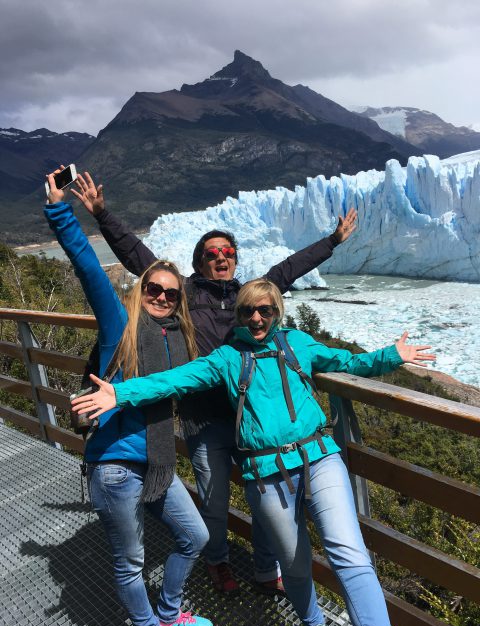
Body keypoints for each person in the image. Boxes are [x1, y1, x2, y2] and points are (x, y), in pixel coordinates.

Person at [72, 278, 435, 626]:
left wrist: (392, 355)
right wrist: (120, 392)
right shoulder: (228, 358)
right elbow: (173, 380)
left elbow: (348, 362)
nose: (257, 318)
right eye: (248, 311)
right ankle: (314, 625)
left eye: (266, 310)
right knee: (294, 565)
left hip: (320, 458)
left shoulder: (297, 343)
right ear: (239, 316)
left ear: (278, 311)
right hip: (266, 474)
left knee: (350, 556)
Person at [71, 171, 358, 595]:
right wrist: (101, 213)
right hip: (205, 423)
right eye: (211, 253)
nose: (220, 258)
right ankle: (217, 562)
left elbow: (287, 269)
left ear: (235, 259)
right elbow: (141, 259)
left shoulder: (248, 298)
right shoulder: (187, 294)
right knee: (216, 503)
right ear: (199, 261)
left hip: (252, 423)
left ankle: (265, 569)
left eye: (227, 252)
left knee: (266, 503)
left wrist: (331, 242)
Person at [44, 169, 213, 626]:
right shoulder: (120, 322)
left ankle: (169, 612)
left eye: (170, 293)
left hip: (157, 462)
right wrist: (62, 209)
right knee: (131, 561)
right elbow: (88, 267)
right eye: (153, 288)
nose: (160, 296)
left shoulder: (181, 339)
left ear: (179, 301)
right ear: (141, 290)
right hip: (117, 465)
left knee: (194, 536)